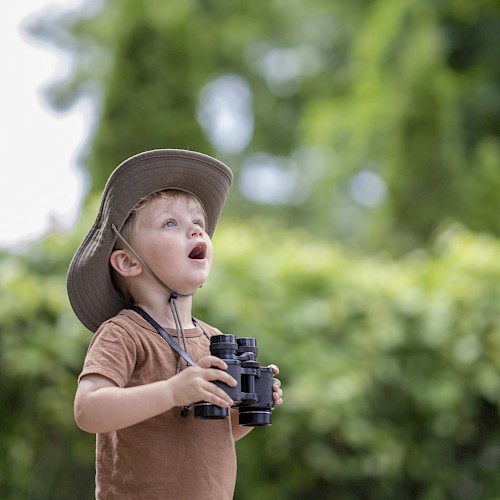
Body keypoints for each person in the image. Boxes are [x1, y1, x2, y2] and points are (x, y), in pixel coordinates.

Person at [67, 149, 283, 499]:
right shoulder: (123, 333)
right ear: (127, 261)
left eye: (199, 224)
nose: (196, 231)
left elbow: (212, 436)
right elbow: (88, 410)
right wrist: (172, 391)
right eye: (171, 223)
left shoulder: (212, 340)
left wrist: (250, 409)